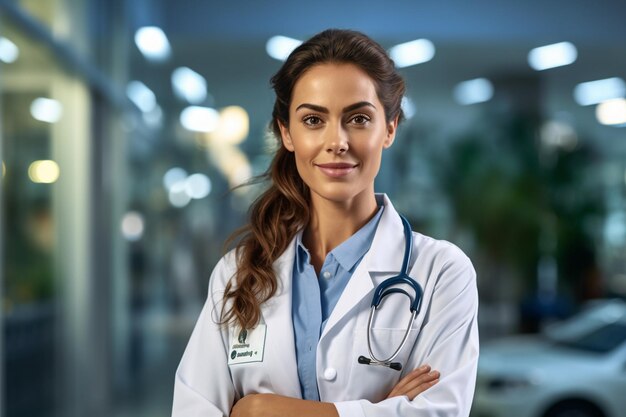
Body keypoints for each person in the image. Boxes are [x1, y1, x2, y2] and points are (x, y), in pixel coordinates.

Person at [172, 29, 479, 417]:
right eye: (314, 119)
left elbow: (440, 411)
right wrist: (376, 410)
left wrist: (259, 410)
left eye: (359, 118)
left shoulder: (441, 272)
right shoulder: (238, 273)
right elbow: (192, 409)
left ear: (390, 128)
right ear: (287, 133)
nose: (337, 141)